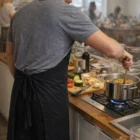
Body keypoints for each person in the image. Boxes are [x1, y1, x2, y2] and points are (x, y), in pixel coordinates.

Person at [6, 0, 133, 140]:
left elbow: (10, 55)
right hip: (49, 99)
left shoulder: (20, 14)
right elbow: (113, 50)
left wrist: (25, 81)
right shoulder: (67, 12)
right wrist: (123, 53)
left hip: (19, 95)